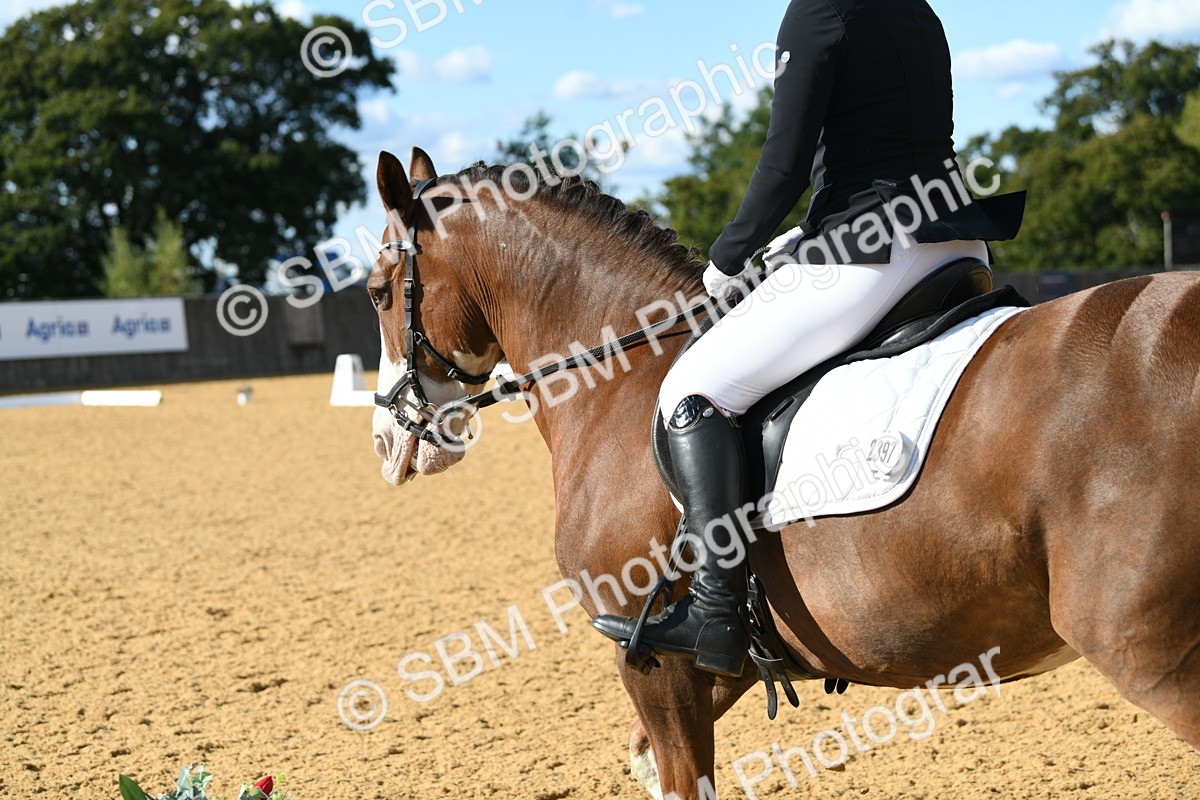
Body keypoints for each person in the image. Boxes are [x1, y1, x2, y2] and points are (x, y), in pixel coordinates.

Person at [591, 0, 1026, 677]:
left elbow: (785, 163)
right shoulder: (917, 11)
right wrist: (802, 236)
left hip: (876, 250)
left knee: (694, 390)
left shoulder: (820, 12)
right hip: (952, 242)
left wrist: (726, 259)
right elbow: (885, 151)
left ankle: (715, 611)